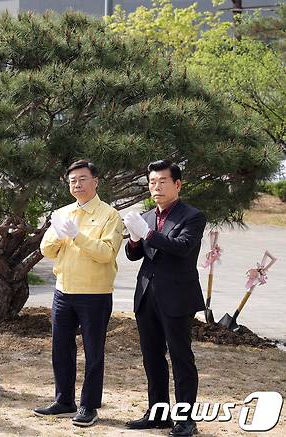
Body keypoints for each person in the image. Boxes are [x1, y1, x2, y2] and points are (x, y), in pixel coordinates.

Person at [34, 160, 123, 427]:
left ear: (96, 181)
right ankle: (64, 400)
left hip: (94, 293)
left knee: (93, 352)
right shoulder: (63, 213)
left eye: (83, 179)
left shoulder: (109, 215)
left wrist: (78, 237)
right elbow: (46, 250)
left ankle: (89, 406)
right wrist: (59, 235)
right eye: (72, 180)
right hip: (64, 291)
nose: (77, 184)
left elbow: (106, 253)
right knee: (60, 348)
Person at [123, 160, 206, 437]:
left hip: (177, 297)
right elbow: (134, 255)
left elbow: (181, 248)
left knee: (181, 357)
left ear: (177, 184)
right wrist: (135, 238)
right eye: (152, 182)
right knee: (152, 357)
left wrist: (146, 233)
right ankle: (158, 413)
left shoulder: (192, 216)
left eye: (162, 182)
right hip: (147, 295)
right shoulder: (146, 216)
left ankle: (186, 419)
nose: (156, 187)